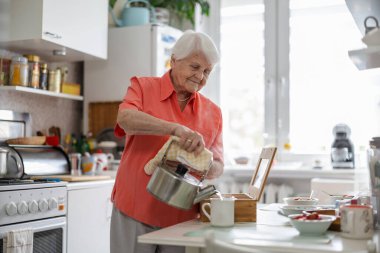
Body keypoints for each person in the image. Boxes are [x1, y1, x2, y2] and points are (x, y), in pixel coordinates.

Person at [110, 30, 224, 253]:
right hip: (135, 208)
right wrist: (174, 129)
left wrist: (202, 161)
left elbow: (219, 166)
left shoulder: (214, 112)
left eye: (207, 72)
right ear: (174, 61)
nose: (200, 77)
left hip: (182, 218)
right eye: (195, 67)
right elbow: (125, 119)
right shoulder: (143, 87)